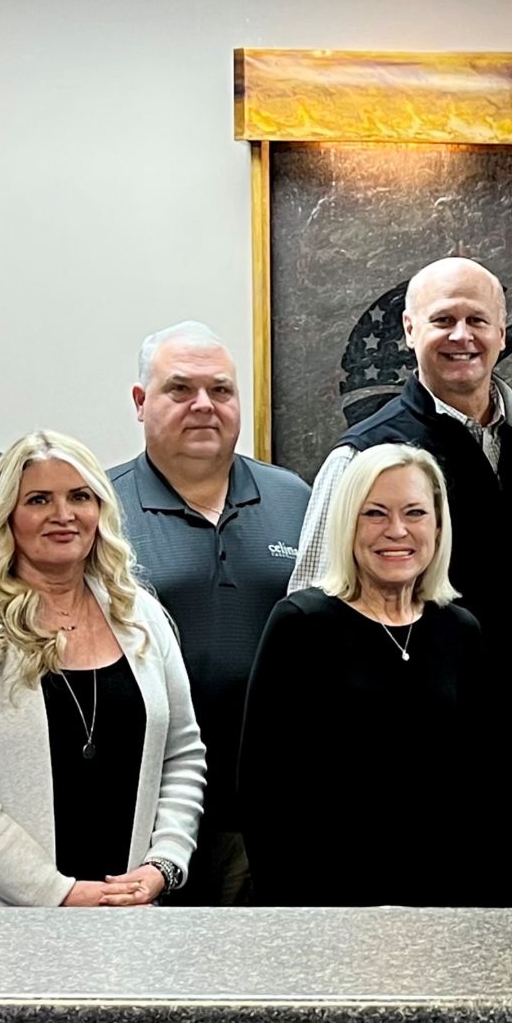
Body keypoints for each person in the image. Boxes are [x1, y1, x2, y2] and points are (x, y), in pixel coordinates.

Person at [288, 257, 512, 896]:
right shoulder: (363, 454)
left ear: (503, 333)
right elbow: (312, 612)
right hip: (413, 788)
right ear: (407, 329)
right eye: (442, 319)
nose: (462, 336)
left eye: (477, 320)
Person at [0, 432, 205, 906]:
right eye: (39, 499)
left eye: (79, 497)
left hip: (127, 918)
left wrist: (163, 863)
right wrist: (59, 894)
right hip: (0, 931)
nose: (63, 515)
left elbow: (183, 754)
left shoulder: (142, 620)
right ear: (6, 515)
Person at [106, 321, 310, 904]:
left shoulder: (294, 498)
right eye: (180, 389)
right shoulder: (100, 507)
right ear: (140, 402)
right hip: (147, 809)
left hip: (271, 808)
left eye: (220, 390)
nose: (204, 406)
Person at [242, 444, 491, 906]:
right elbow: (264, 794)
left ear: (437, 524)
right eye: (374, 513)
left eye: (415, 512)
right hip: (328, 906)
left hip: (441, 907)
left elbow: (481, 789)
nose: (396, 531)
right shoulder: (300, 624)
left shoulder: (460, 630)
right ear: (347, 524)